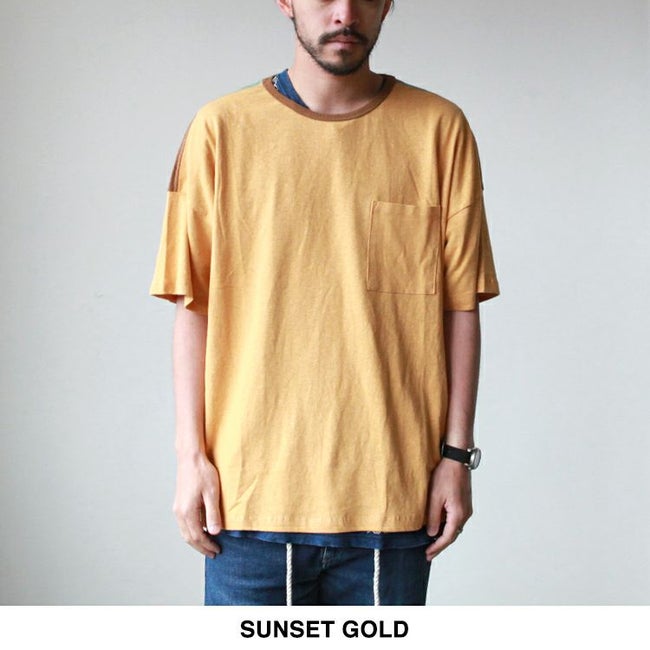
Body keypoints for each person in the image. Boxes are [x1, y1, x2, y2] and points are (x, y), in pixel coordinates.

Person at [149, 0, 500, 606]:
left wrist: (455, 456)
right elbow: (193, 305)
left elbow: (459, 306)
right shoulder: (221, 129)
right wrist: (190, 458)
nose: (344, 12)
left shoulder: (438, 129)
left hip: (394, 498)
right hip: (246, 499)